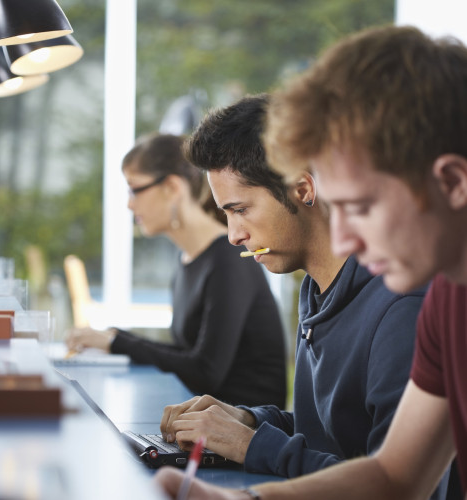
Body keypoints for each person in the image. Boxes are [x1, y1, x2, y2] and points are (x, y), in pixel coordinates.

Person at [155, 25, 467, 499]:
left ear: (452, 183)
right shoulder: (447, 297)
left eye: (359, 207)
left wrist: (258, 447)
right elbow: (395, 477)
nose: (341, 238)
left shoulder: (412, 299)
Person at [66, 133, 287, 408]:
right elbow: (187, 354)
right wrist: (113, 336)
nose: (129, 203)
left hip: (242, 434)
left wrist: (117, 342)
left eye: (134, 189)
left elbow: (206, 372)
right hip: (203, 418)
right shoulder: (188, 259)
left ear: (171, 187)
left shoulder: (229, 260)